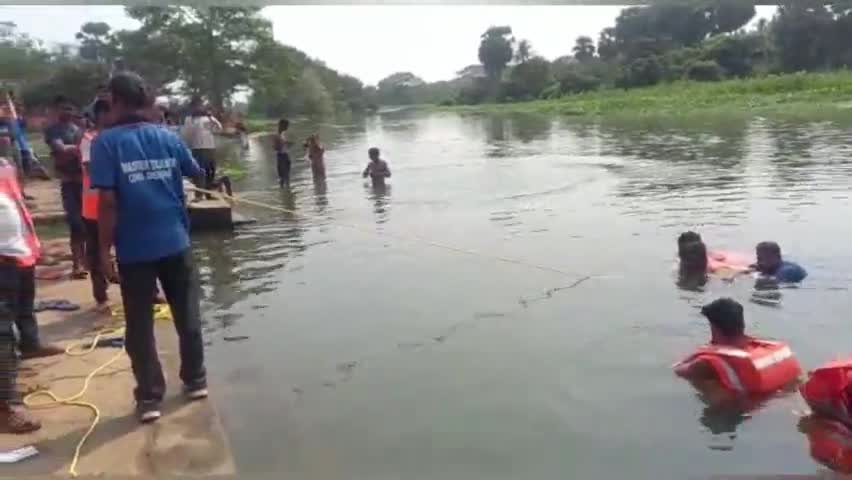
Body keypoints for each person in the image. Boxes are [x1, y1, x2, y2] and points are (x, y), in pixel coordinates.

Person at [90, 72, 208, 423]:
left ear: (115, 100)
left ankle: (150, 399)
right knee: (187, 314)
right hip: (175, 240)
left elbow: (108, 202)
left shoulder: (105, 143)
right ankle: (196, 381)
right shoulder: (166, 136)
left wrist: (103, 251)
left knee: (139, 324)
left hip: (134, 249)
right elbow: (197, 173)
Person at [673, 298, 801, 396]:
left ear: (714, 327)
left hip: (743, 410)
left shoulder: (706, 364)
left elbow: (677, 371)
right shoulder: (772, 349)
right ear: (742, 323)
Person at [44, 95, 86, 279]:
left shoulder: (78, 129)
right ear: (57, 110)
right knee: (75, 222)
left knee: (88, 223)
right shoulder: (53, 130)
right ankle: (77, 264)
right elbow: (60, 150)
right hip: (69, 181)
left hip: (83, 181)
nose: (67, 112)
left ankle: (86, 262)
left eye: (70, 108)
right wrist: (78, 149)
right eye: (63, 108)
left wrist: (73, 150)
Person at [80, 100, 111, 311]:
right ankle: (101, 296)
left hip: (115, 203)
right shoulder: (89, 140)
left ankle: (147, 293)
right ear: (100, 116)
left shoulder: (114, 138)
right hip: (95, 206)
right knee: (97, 250)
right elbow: (92, 170)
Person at [181, 97, 222, 200]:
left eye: (201, 105)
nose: (199, 107)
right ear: (192, 107)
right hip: (197, 148)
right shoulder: (189, 119)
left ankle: (209, 193)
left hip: (210, 147)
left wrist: (211, 118)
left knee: (211, 171)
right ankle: (199, 195)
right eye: (197, 106)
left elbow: (219, 129)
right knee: (199, 172)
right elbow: (186, 135)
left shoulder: (208, 118)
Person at [275, 119, 292, 187]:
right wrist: (285, 144)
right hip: (281, 156)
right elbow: (277, 146)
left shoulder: (282, 134)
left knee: (285, 175)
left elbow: (283, 144)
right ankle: (285, 190)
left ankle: (286, 191)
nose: (287, 127)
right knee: (284, 175)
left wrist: (287, 144)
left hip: (284, 155)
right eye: (287, 125)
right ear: (283, 126)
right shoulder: (278, 135)